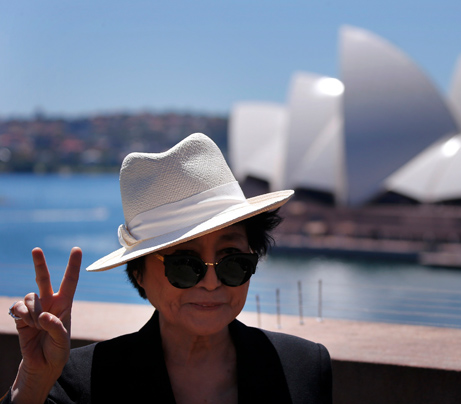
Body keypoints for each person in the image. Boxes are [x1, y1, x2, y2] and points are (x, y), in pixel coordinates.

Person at [3, 133, 332, 404]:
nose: (211, 282)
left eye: (233, 260)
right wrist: (33, 383)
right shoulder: (82, 380)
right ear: (139, 274)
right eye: (185, 264)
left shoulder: (303, 367)